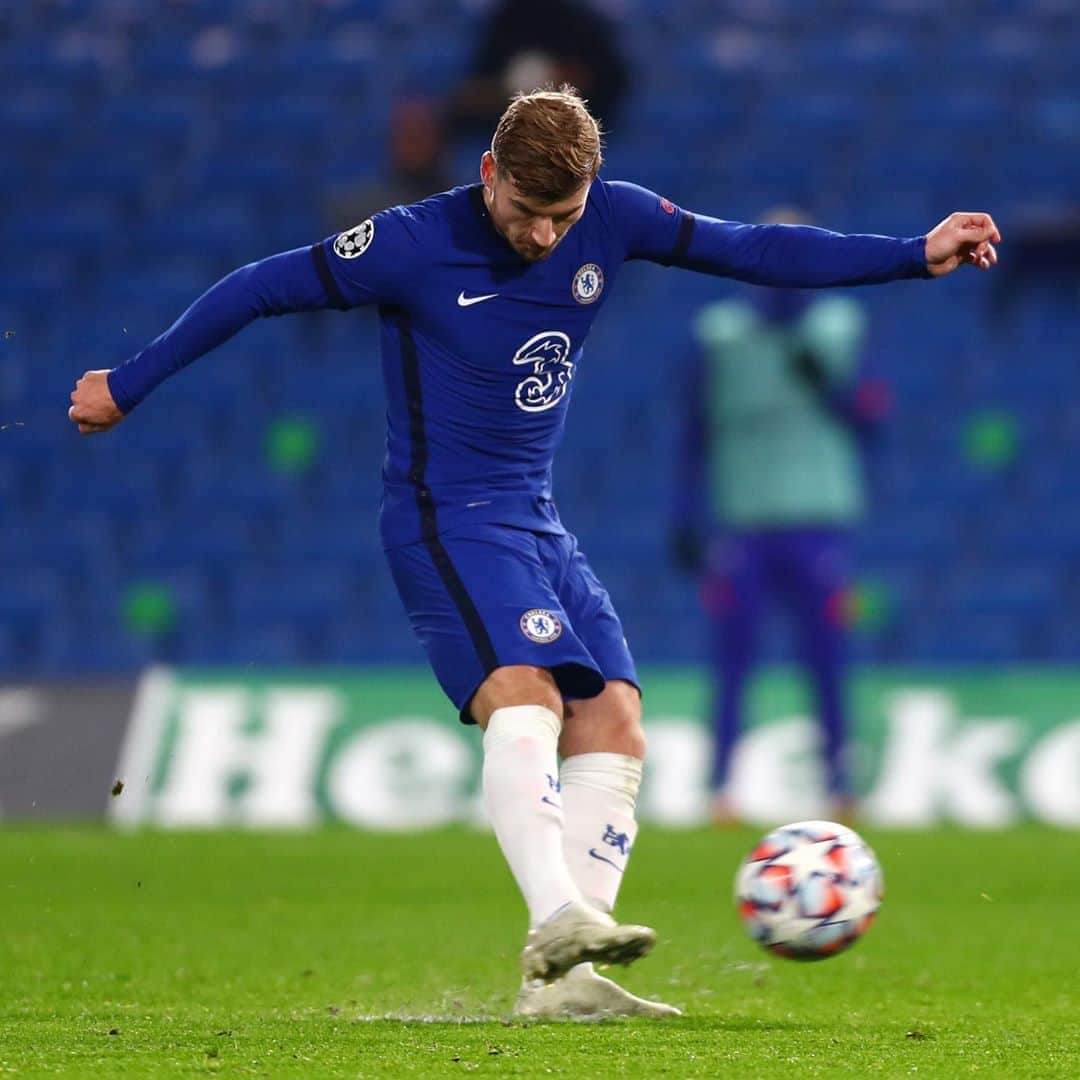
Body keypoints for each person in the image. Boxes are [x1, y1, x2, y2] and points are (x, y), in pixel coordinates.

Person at [68, 87, 1000, 1020]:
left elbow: (753, 249)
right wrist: (131, 381)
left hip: (535, 519)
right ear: (488, 176)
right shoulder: (409, 243)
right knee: (528, 694)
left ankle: (566, 985)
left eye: (564, 215)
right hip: (446, 517)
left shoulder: (613, 214)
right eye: (526, 212)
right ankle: (556, 914)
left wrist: (913, 255)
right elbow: (260, 286)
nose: (547, 235)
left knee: (617, 721)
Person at [673, 210, 893, 824]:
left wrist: (830, 386)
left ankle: (840, 785)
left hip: (818, 520)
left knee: (826, 658)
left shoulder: (841, 326)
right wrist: (685, 512)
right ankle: (720, 789)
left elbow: (875, 415)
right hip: (743, 522)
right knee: (732, 660)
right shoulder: (717, 335)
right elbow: (694, 428)